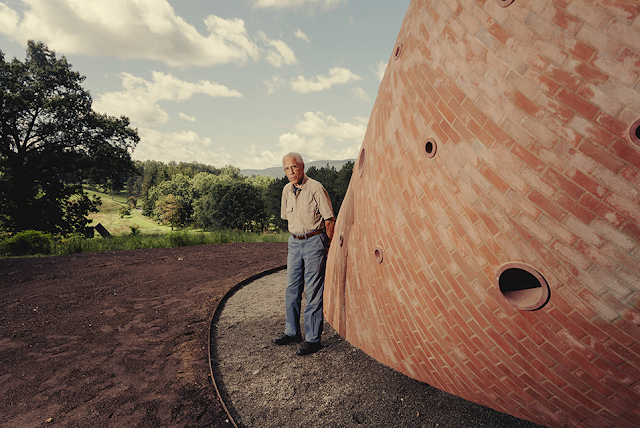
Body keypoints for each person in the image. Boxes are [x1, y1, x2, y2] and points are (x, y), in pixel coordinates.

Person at [272, 152, 335, 356]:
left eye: (294, 167)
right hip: (295, 242)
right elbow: (286, 217)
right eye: (287, 169)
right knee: (292, 289)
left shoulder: (315, 187)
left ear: (302, 167)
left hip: (315, 241)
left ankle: (313, 339)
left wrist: (328, 246)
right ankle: (292, 332)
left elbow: (329, 220)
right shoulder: (286, 190)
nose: (291, 172)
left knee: (313, 290)